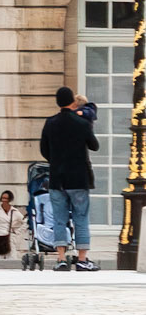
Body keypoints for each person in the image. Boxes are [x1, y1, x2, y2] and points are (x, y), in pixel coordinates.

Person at [40, 83, 100, 272]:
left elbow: (44, 150)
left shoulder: (50, 123)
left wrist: (56, 160)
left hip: (57, 179)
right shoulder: (81, 123)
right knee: (81, 218)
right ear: (73, 101)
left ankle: (60, 258)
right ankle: (82, 259)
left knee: (59, 219)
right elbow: (94, 145)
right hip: (78, 178)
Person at [0, 189, 30, 259]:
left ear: (10, 200)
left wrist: (17, 232)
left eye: (6, 198)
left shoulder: (14, 211)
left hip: (10, 237)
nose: (4, 200)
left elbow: (25, 222)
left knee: (12, 258)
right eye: (3, 198)